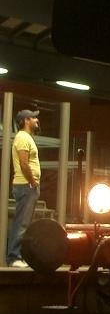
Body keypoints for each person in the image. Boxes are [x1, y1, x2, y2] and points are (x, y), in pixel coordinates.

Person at [7, 109, 40, 268]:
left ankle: (18, 256)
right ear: (26, 120)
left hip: (27, 185)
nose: (36, 120)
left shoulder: (27, 137)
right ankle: (14, 257)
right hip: (25, 185)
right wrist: (33, 181)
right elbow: (24, 163)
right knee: (21, 223)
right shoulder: (21, 137)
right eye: (34, 117)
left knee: (23, 223)